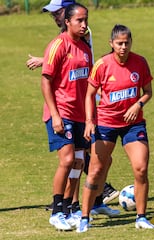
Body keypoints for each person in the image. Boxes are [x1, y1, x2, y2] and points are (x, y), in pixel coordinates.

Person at [27, 0, 120, 212]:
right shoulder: (60, 43)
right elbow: (52, 73)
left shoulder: (83, 39)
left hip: (85, 108)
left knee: (86, 158)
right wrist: (55, 114)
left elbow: (83, 67)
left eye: (56, 13)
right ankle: (66, 206)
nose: (54, 17)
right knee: (73, 159)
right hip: (66, 110)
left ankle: (83, 202)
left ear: (67, 13)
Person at [77, 24, 154, 233]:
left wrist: (138, 104)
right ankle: (85, 217)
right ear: (111, 44)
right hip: (106, 124)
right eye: (119, 43)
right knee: (95, 170)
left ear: (131, 42)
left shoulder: (140, 62)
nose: (123, 47)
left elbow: (147, 91)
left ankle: (141, 217)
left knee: (141, 168)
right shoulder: (102, 64)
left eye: (126, 43)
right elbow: (89, 94)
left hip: (133, 124)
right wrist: (89, 120)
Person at [41, 2, 92, 230]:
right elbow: (46, 81)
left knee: (79, 162)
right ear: (68, 21)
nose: (83, 25)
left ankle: (70, 209)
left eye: (85, 20)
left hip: (81, 115)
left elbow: (90, 85)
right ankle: (56, 211)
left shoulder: (85, 48)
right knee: (68, 160)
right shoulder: (58, 45)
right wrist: (55, 114)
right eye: (79, 20)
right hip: (61, 112)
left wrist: (92, 117)